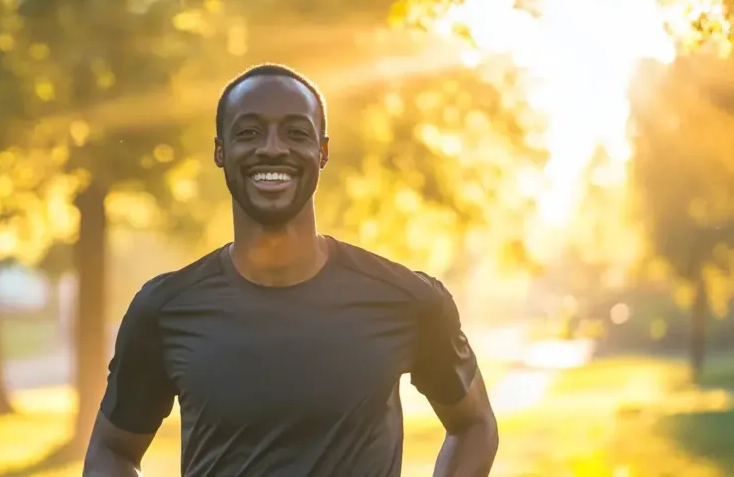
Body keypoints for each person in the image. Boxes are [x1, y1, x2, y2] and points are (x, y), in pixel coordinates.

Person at [83, 64, 499, 476]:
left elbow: (474, 425)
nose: (272, 148)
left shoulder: (408, 300)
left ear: (323, 151)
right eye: (248, 132)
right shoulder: (165, 309)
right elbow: (112, 449)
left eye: (296, 133)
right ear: (220, 151)